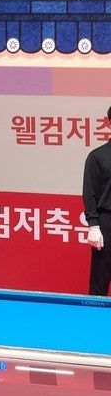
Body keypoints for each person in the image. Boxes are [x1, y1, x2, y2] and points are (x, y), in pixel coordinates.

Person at [82, 105, 111, 295]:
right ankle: (95, 314)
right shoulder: (97, 157)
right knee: (100, 282)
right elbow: (89, 193)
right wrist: (93, 225)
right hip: (107, 224)